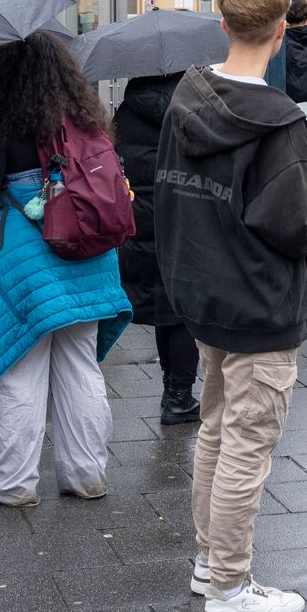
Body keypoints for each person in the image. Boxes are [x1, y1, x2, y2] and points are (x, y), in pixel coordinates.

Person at [155, 0, 307, 612]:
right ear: (284, 29)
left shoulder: (188, 96)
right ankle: (230, 591)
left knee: (215, 430)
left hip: (202, 290)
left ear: (224, 24)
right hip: (259, 303)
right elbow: (285, 225)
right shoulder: (279, 120)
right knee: (246, 445)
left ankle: (210, 564)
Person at [0, 31, 132, 508]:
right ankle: (86, 476)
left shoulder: (3, 130)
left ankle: (14, 484)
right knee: (81, 368)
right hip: (90, 258)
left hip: (26, 261)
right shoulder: (87, 124)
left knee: (19, 370)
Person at [115, 72, 199, 424]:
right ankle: (178, 395)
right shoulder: (188, 110)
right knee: (180, 312)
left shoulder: (125, 111)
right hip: (178, 215)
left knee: (164, 307)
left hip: (136, 216)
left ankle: (173, 392)